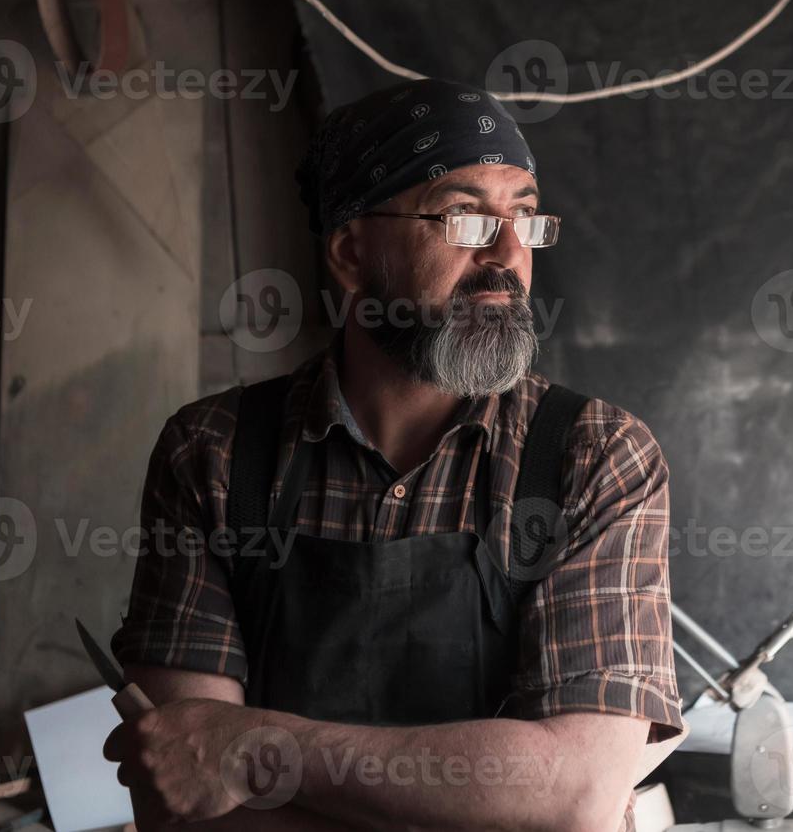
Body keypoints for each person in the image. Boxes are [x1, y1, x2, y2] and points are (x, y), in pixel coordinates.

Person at [103, 78, 684, 832]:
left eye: (525, 215)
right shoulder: (213, 455)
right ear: (351, 251)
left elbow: (573, 793)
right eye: (464, 217)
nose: (509, 253)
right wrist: (485, 797)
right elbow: (185, 794)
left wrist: (257, 749)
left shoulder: (593, 455)